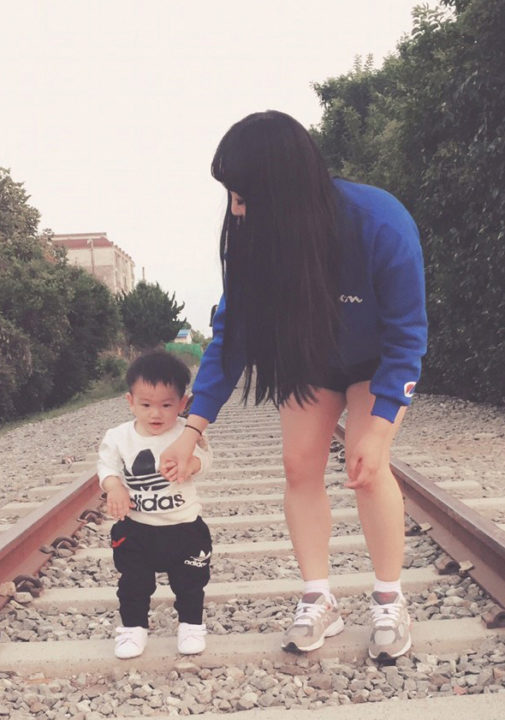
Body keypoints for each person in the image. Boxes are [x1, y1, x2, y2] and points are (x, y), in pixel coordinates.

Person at [159, 110, 427, 661]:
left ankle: (389, 599)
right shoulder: (252, 238)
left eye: (242, 194)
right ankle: (319, 598)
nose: (235, 208)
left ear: (281, 189)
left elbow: (407, 338)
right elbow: (230, 337)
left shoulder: (379, 220)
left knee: (366, 462)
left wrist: (377, 431)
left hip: (376, 362)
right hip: (310, 364)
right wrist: (192, 428)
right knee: (299, 465)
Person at [97, 349, 212, 659]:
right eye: (146, 405)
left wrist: (192, 466)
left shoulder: (186, 433)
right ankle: (133, 629)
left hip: (184, 528)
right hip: (136, 529)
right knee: (132, 582)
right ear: (130, 401)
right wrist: (114, 486)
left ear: (183, 403)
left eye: (166, 405)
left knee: (190, 582)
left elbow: (205, 457)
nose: (156, 414)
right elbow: (106, 467)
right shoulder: (118, 436)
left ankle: (190, 625)